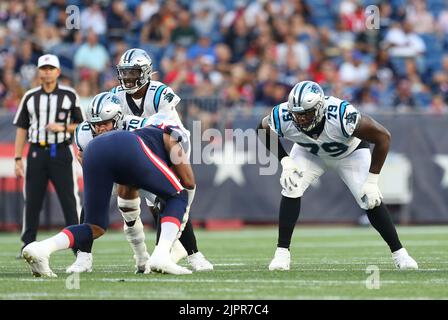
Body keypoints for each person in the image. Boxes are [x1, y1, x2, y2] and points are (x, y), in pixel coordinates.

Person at [257, 80, 418, 271]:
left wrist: (373, 180)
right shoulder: (283, 114)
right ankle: (282, 254)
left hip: (350, 153)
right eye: (297, 114)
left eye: (306, 114)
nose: (300, 119)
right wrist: (285, 160)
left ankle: (400, 254)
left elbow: (383, 137)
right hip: (310, 152)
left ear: (319, 108)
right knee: (291, 186)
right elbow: (262, 129)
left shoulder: (342, 115)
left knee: (369, 198)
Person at [22, 116, 195, 276]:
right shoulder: (171, 135)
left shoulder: (143, 134)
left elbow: (127, 191)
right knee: (178, 195)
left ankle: (42, 249)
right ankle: (162, 255)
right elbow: (188, 182)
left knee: (95, 227)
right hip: (128, 146)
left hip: (93, 150)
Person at [110, 48, 213, 271]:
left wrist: (128, 122)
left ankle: (188, 254)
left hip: (171, 146)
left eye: (133, 73)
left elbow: (162, 125)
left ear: (146, 72)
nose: (127, 78)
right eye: (124, 73)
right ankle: (180, 253)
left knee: (173, 199)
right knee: (160, 206)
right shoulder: (115, 95)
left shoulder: (159, 92)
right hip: (142, 151)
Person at [13, 54, 84, 257]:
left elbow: (82, 124)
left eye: (51, 68)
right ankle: (27, 244)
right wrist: (18, 158)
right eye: (44, 68)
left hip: (61, 151)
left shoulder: (70, 95)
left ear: (58, 72)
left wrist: (61, 126)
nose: (47, 71)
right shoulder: (30, 96)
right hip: (36, 152)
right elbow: (21, 128)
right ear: (39, 72)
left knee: (69, 200)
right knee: (32, 201)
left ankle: (78, 244)